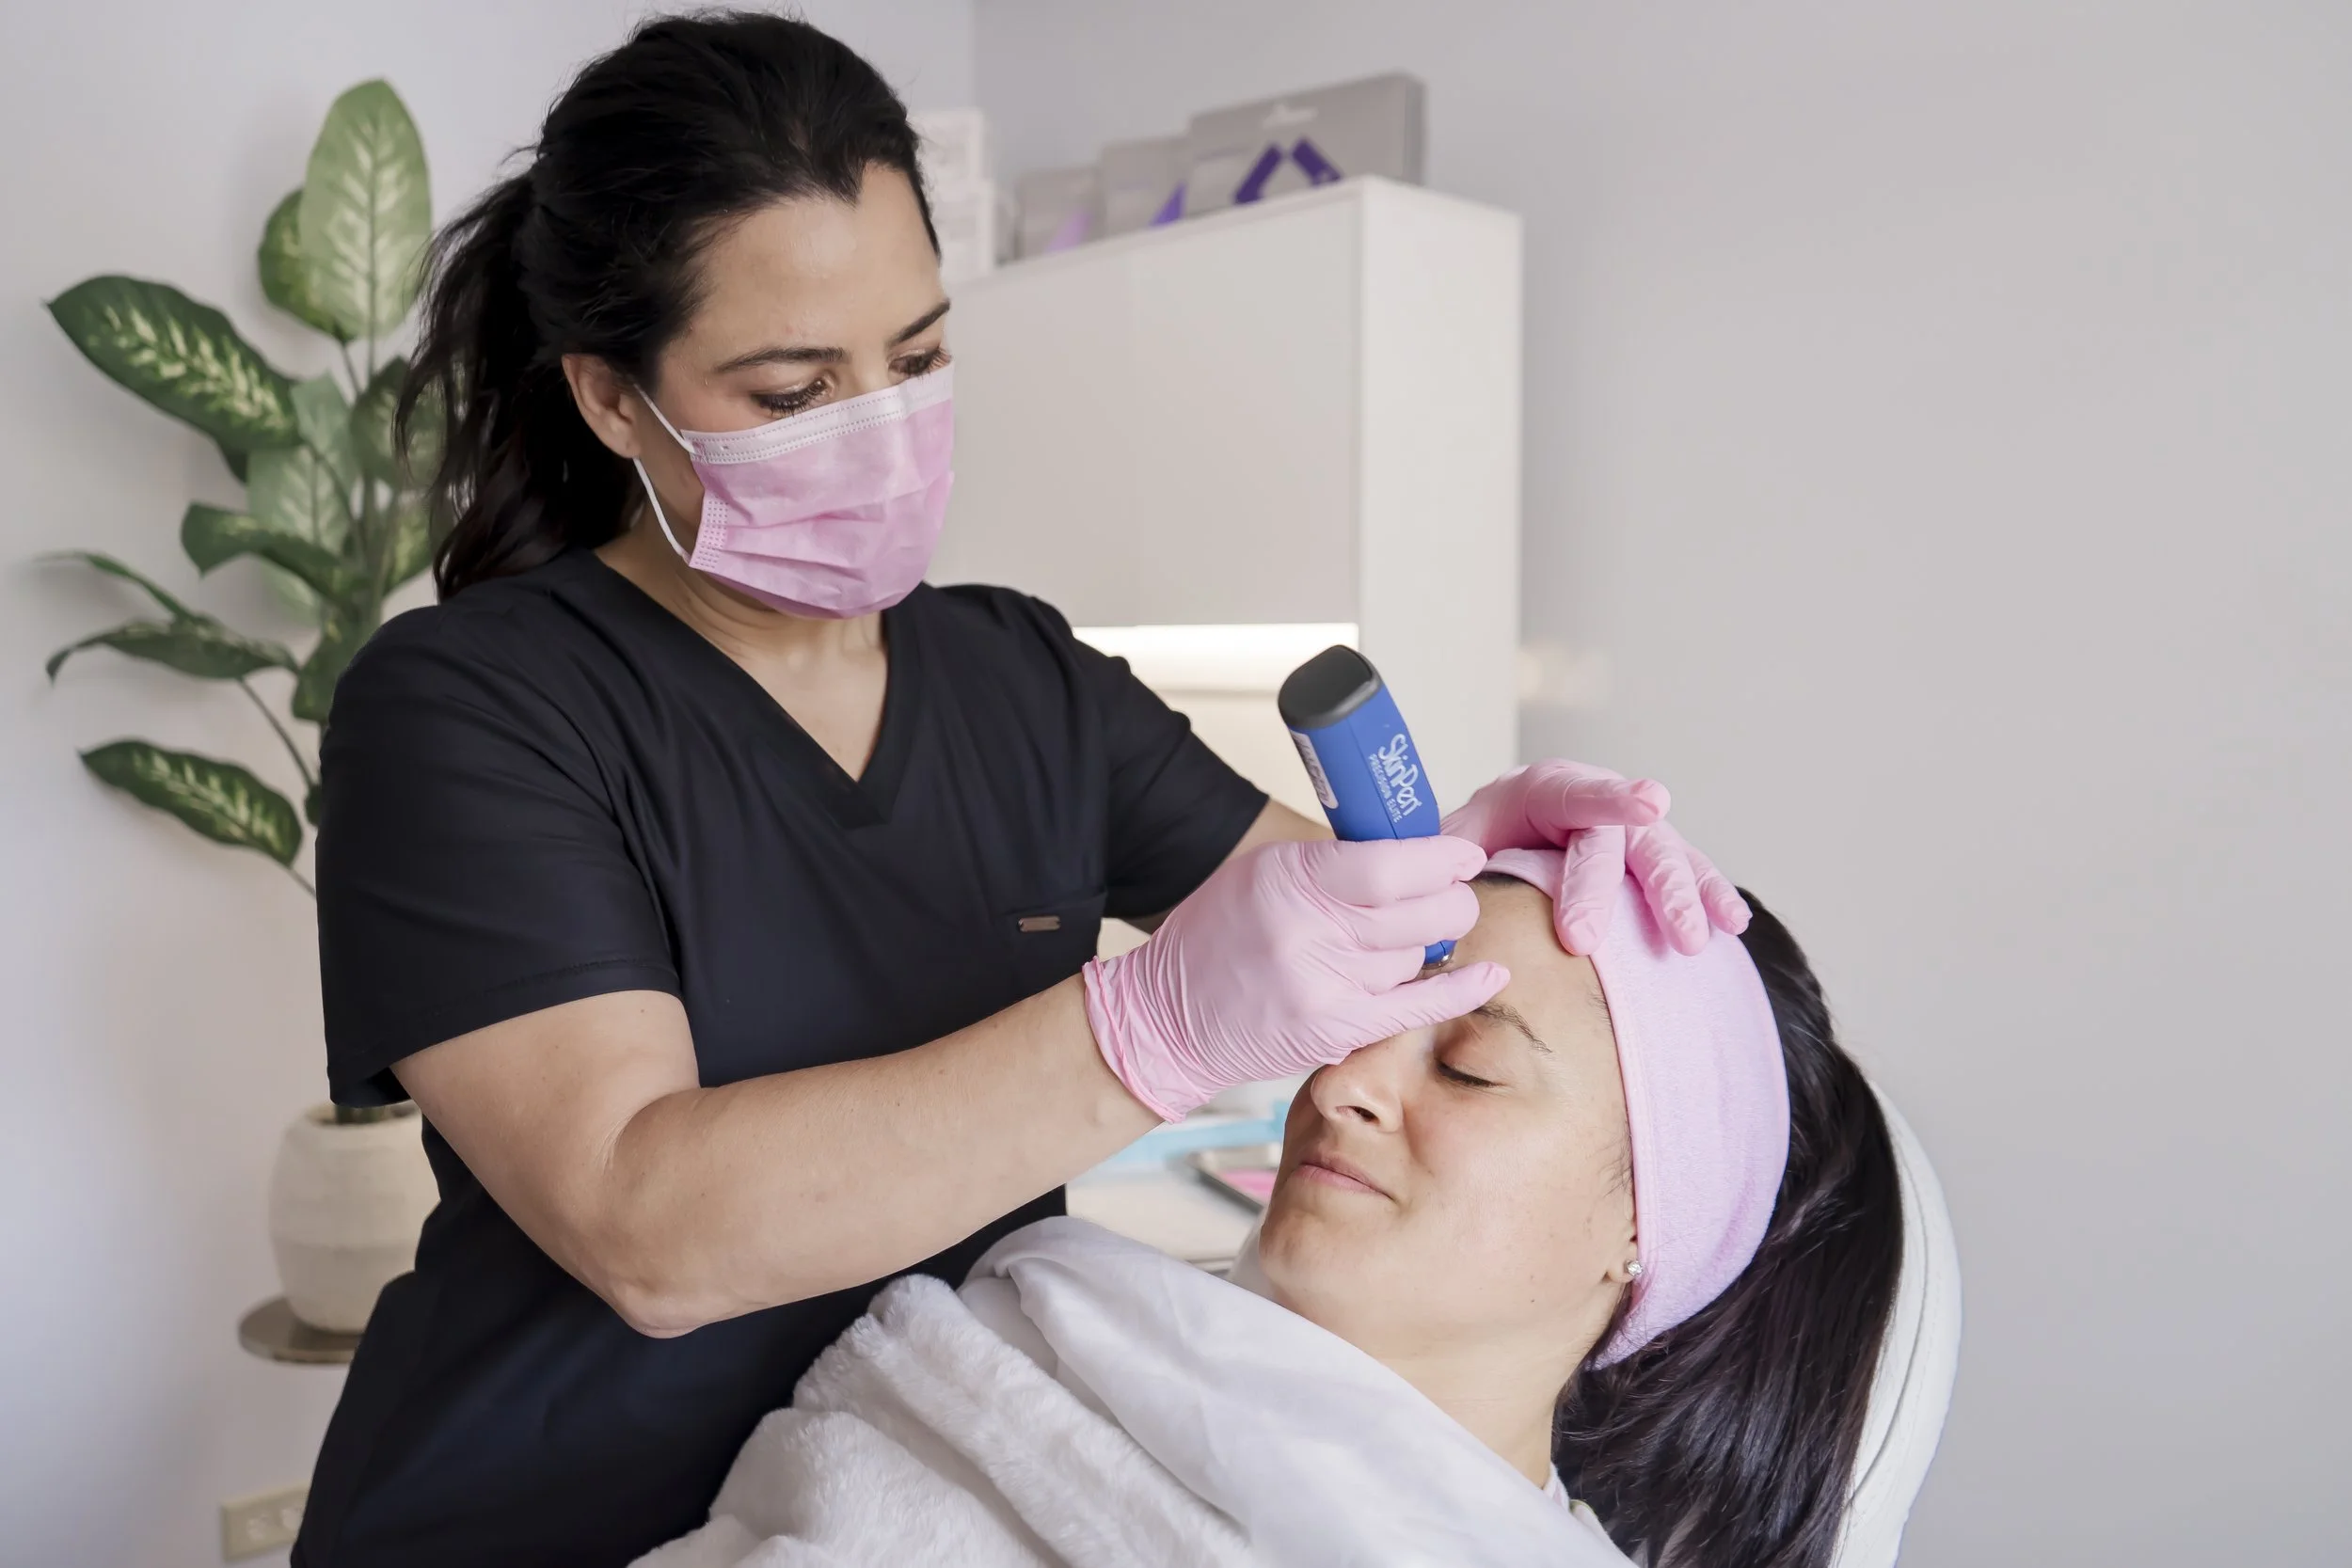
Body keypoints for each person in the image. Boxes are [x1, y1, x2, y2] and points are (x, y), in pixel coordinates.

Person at [295, 13, 1741, 1566]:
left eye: (916, 358)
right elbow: (645, 1226)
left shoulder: (1022, 678)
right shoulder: (468, 707)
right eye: (794, 390)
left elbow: (1371, 942)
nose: (880, 423)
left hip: (912, 1491)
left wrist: (1489, 862)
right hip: (541, 1524)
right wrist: (1153, 1025)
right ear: (611, 399)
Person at [634, 860, 1905, 1568]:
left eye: (1465, 1066)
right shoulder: (1025, 1360)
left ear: (1651, 1225)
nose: (1343, 1083)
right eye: (1361, 1028)